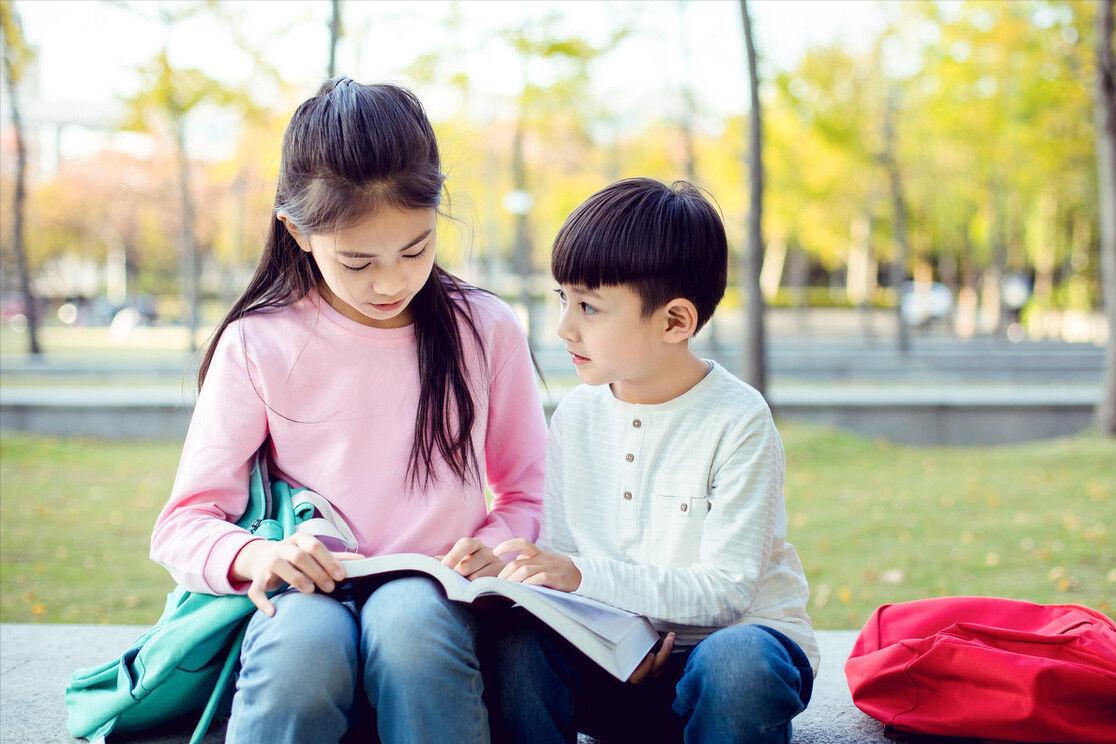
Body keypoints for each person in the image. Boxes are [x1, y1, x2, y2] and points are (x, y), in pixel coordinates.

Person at [149, 78, 546, 744]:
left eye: (415, 250)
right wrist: (258, 556)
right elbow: (184, 523)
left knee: (411, 627)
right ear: (297, 232)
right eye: (357, 261)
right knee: (300, 647)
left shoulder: (487, 329)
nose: (390, 282)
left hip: (436, 594)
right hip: (308, 588)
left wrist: (499, 546)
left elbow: (528, 491)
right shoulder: (260, 341)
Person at [483, 178, 818, 743]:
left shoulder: (738, 420)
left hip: (728, 655)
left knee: (740, 665)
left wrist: (581, 576)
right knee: (514, 643)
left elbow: (726, 591)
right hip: (615, 656)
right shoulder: (577, 416)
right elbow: (565, 561)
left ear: (674, 322)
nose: (564, 326)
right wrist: (517, 572)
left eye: (588, 306)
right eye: (564, 298)